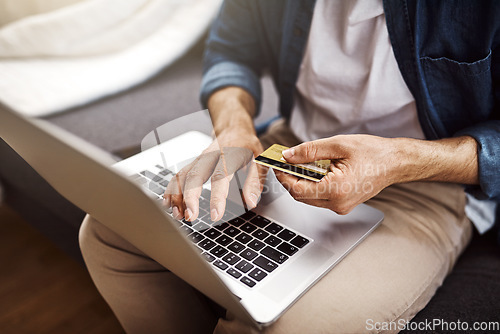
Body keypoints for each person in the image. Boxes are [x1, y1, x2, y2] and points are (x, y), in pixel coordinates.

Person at [79, 1, 500, 333]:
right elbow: (231, 50)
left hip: (429, 183)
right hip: (287, 146)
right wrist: (234, 128)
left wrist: (400, 160)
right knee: (110, 231)